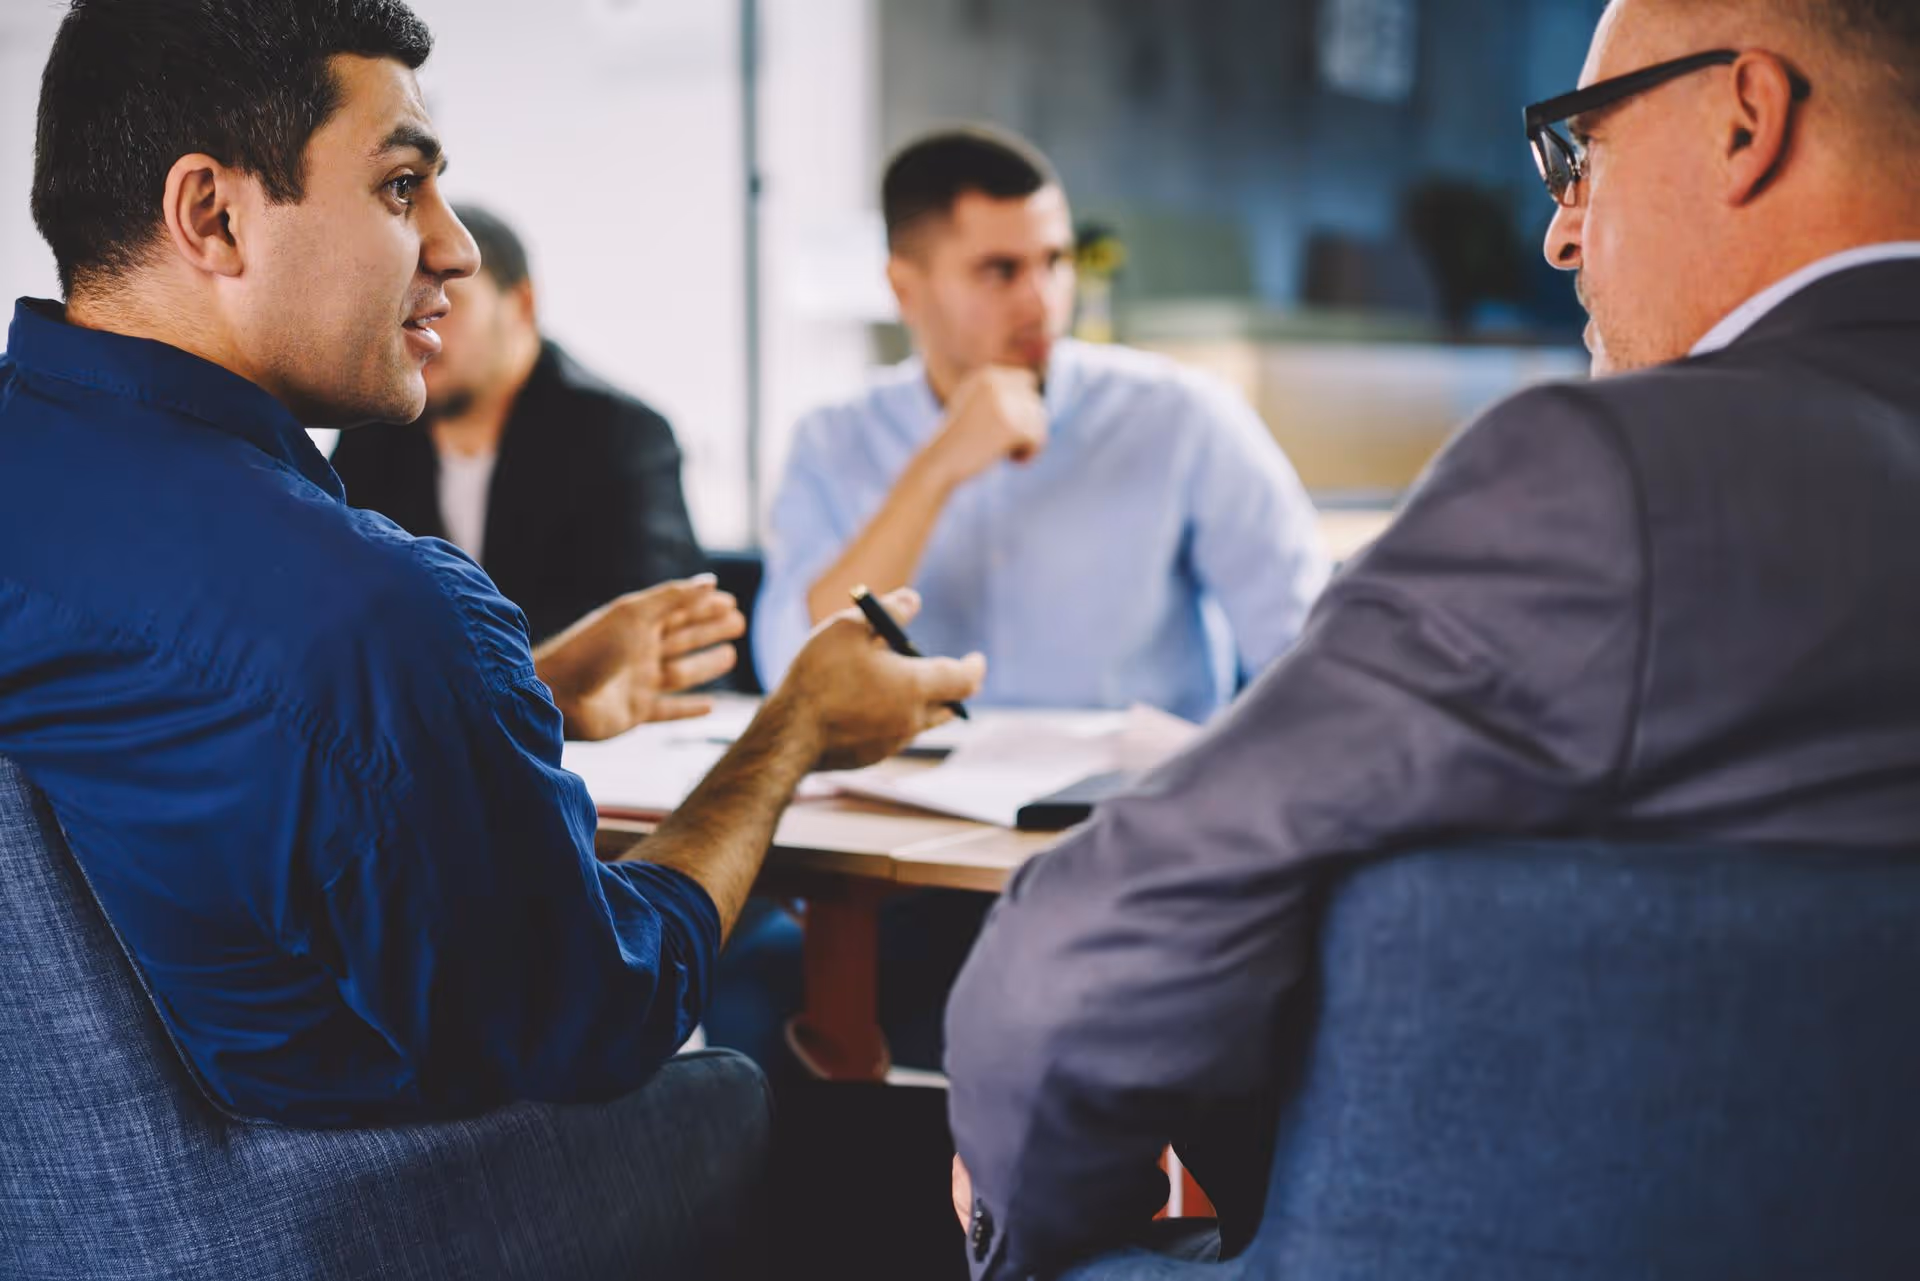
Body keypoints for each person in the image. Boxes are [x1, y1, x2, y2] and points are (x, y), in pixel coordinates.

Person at [943, 0, 1920, 1274]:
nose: (1561, 232)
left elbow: (1083, 959)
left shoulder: (1611, 484)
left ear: (1747, 119)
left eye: (1580, 152)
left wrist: (1024, 1240)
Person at [0, 0, 981, 1133]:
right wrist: (793, 731)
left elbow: (217, 761)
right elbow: (601, 1015)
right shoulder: (369, 614)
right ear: (214, 216)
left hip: (85, 1209)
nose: (457, 249)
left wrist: (529, 697)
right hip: (375, 1202)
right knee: (822, 1126)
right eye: (402, 187)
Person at [754, 126, 1328, 725]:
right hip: (904, 799)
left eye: (1055, 262)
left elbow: (1309, 655)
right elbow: (791, 676)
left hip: (1132, 799)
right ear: (905, 289)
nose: (1041, 301)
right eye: (999, 271)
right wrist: (937, 470)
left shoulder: (1183, 418)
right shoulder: (832, 439)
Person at [330, 204, 706, 644]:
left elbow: (638, 631)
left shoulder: (618, 436)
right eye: (402, 304)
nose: (420, 327)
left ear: (522, 305)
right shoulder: (373, 432)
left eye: (446, 304)